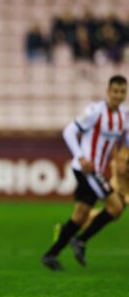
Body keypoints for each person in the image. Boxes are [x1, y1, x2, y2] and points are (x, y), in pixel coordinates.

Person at [42, 75, 127, 271]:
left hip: (95, 170)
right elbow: (69, 131)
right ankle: (80, 241)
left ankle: (51, 255)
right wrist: (80, 157)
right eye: (115, 91)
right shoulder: (95, 111)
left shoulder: (124, 115)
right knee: (115, 208)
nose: (118, 95)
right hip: (87, 169)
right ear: (108, 92)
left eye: (122, 92)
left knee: (80, 216)